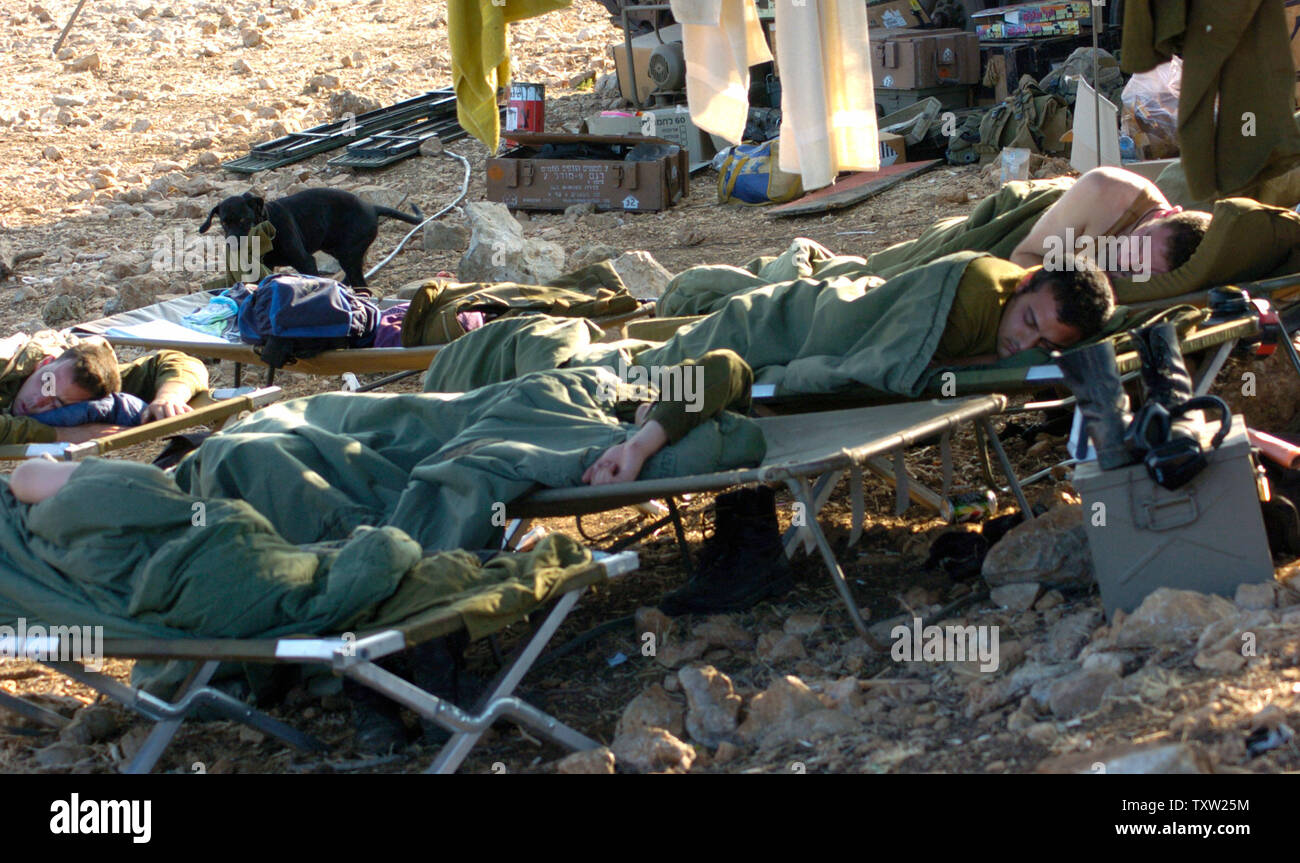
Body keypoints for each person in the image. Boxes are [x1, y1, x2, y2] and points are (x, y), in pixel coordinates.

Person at [0, 331, 208, 445]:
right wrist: (61, 434)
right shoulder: (7, 362)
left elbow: (177, 361)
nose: (37, 401)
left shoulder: (86, 383)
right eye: (45, 385)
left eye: (56, 403)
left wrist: (169, 397)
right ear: (45, 363)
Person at [1009, 166, 1212, 277]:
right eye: (1141, 242)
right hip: (1022, 221)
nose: (1125, 259)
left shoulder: (1175, 272)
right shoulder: (1102, 190)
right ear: (1169, 213)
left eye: (1139, 269)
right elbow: (1023, 257)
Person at [931, 257, 1114, 367]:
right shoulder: (970, 298)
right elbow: (918, 381)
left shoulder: (1037, 294)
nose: (1025, 345)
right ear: (1025, 282)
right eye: (1029, 321)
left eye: (1046, 344)